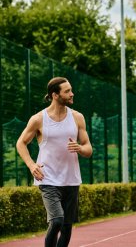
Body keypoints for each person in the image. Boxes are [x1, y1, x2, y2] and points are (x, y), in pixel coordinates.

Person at [16, 77, 93, 247]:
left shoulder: (77, 117)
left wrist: (80, 148)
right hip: (48, 178)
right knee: (57, 220)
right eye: (67, 91)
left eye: (71, 90)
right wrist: (31, 164)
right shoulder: (38, 119)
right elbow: (21, 143)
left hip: (71, 180)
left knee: (66, 227)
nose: (72, 94)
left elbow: (88, 149)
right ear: (55, 95)